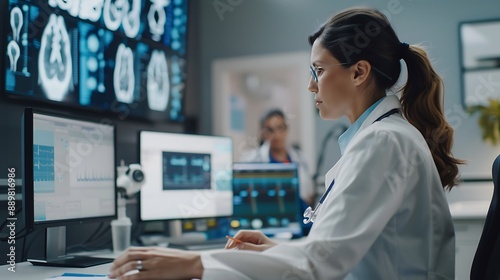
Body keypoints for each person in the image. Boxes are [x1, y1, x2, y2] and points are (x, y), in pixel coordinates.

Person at [109, 7, 463, 279]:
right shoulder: (383, 138)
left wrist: (194, 262)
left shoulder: (384, 142)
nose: (312, 86)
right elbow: (337, 253)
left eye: (319, 71)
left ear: (359, 72)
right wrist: (276, 251)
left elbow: (319, 267)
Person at [240, 108, 315, 205]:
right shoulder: (250, 161)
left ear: (286, 129)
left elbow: (309, 193)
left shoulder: (302, 160)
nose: (276, 135)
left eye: (280, 128)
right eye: (270, 130)